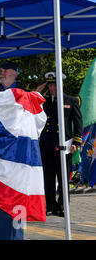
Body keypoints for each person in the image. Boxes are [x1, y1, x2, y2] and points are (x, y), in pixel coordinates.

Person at [36, 72, 83, 217]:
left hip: (65, 146)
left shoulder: (71, 100)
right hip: (47, 145)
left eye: (55, 84)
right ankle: (50, 206)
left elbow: (78, 122)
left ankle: (63, 207)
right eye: (50, 85)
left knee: (63, 178)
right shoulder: (43, 101)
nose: (52, 88)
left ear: (61, 84)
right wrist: (38, 91)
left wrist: (77, 141)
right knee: (48, 178)